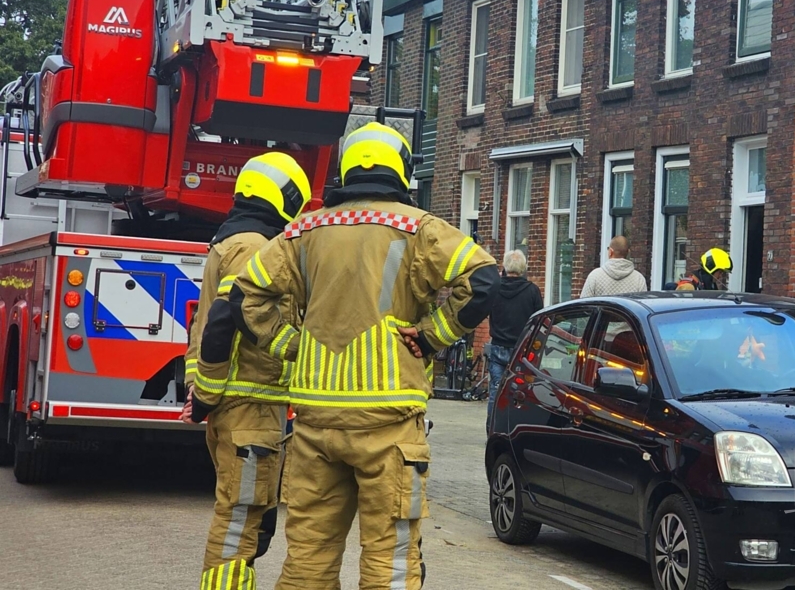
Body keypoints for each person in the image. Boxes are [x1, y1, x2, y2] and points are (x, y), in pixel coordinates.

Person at [201, 121, 499, 590]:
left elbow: (244, 296)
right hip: (388, 423)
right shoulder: (417, 228)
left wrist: (290, 347)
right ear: (400, 169)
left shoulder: (305, 230)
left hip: (316, 424)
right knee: (390, 561)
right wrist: (432, 337)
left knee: (308, 562)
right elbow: (482, 281)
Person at [181, 152, 312, 590]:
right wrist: (207, 396)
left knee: (251, 518)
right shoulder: (254, 247)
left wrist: (205, 395)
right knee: (240, 521)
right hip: (248, 408)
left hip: (245, 411)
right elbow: (223, 322)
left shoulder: (231, 240)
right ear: (286, 197)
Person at [485, 250, 543, 431]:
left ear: (504, 267)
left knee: (496, 389)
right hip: (522, 350)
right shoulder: (532, 291)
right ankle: (519, 428)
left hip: (498, 347)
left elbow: (488, 312)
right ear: (524, 269)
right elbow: (539, 320)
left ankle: (493, 428)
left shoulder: (494, 289)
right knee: (523, 392)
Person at [579, 235, 647, 298]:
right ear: (628, 252)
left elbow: (583, 305)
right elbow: (643, 307)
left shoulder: (595, 276)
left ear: (610, 251)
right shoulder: (639, 279)